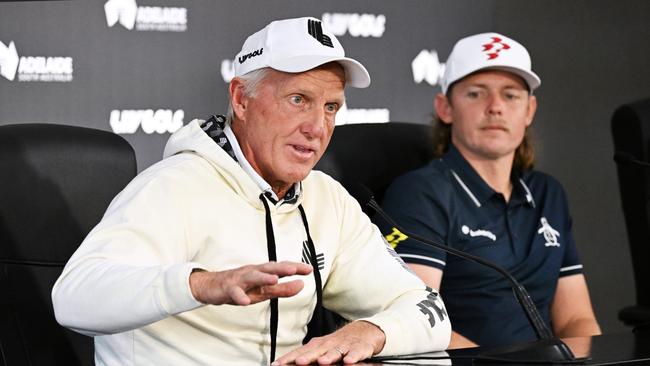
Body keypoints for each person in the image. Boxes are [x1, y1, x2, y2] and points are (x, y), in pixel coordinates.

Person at [51, 17, 450, 365]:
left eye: (330, 107)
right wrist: (200, 285)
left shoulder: (328, 199)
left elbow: (428, 309)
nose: (317, 127)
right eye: (299, 100)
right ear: (242, 99)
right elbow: (72, 297)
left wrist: (369, 332)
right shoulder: (173, 185)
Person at [375, 32, 600, 349]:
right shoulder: (420, 193)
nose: (495, 107)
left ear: (529, 110)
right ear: (445, 108)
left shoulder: (548, 193)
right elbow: (416, 323)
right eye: (476, 94)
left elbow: (576, 318)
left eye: (510, 96)